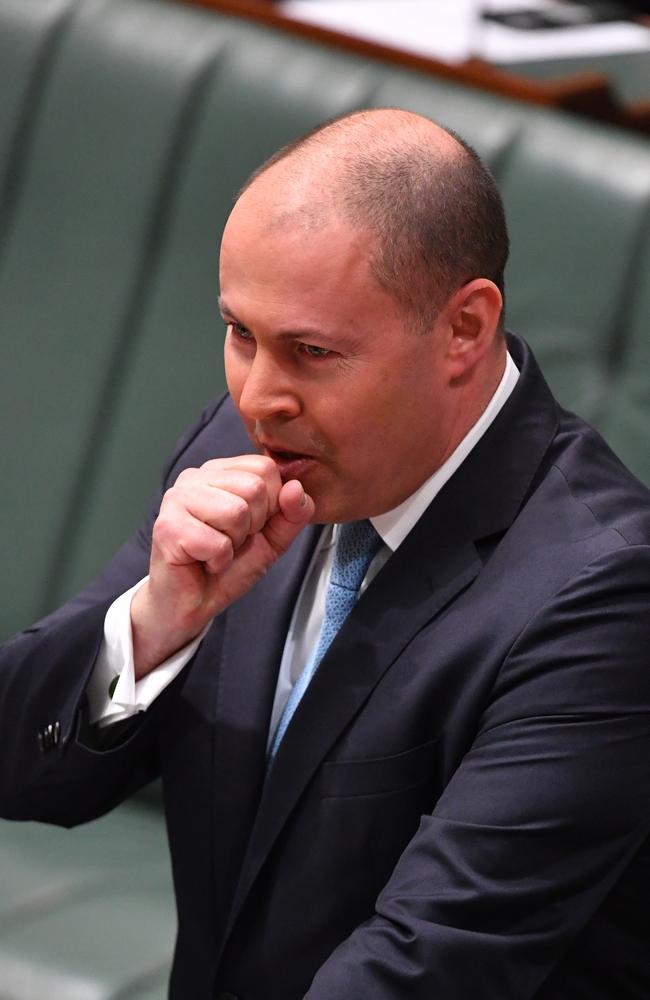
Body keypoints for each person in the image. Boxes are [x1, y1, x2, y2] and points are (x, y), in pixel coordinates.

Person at [1, 109, 650, 1000]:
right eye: (240, 335)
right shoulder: (244, 446)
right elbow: (22, 766)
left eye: (311, 352)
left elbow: (431, 968)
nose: (260, 397)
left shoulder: (606, 593)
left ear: (464, 329)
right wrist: (155, 626)